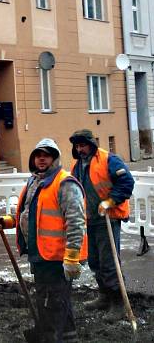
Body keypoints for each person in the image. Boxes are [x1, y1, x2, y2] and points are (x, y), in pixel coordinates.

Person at [0, 138, 86, 343]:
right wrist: (7, 221)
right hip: (41, 255)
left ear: (55, 158)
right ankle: (69, 338)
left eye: (47, 155)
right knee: (58, 303)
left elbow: (76, 222)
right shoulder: (35, 182)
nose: (41, 159)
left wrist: (71, 257)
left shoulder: (65, 183)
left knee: (50, 304)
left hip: (57, 259)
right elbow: (28, 215)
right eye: (38, 155)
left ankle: (51, 339)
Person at [69, 129, 135, 321]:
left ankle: (118, 303)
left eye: (83, 145)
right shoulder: (78, 166)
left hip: (108, 217)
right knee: (95, 261)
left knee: (109, 262)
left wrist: (111, 201)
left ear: (91, 144)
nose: (80, 149)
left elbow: (126, 181)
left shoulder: (108, 160)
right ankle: (105, 296)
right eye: (77, 146)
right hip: (89, 220)